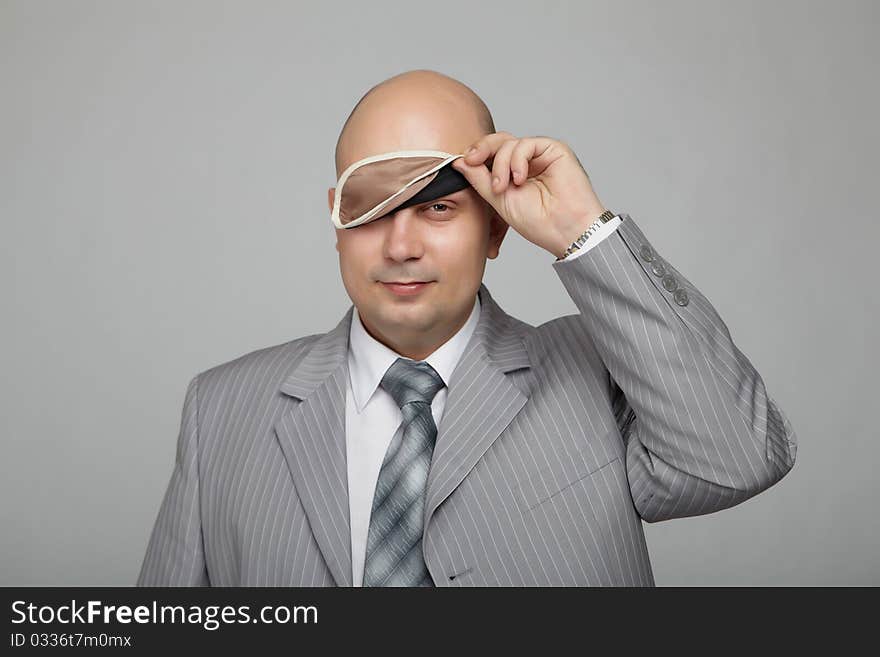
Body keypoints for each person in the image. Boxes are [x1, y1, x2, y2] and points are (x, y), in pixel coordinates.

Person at [137, 69, 797, 587]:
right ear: (334, 220)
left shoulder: (598, 372)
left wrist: (583, 231)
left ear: (496, 227)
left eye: (439, 206)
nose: (401, 245)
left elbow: (736, 457)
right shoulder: (220, 409)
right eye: (370, 210)